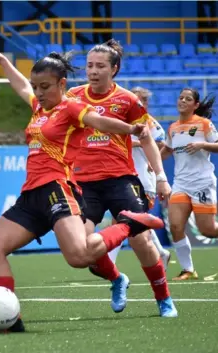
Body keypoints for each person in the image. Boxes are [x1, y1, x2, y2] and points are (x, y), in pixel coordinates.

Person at [0, 42, 164, 333]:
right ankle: (9, 320)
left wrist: (130, 130)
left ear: (61, 84)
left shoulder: (71, 107)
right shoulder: (39, 106)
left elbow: (99, 120)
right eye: (36, 86)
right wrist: (1, 59)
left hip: (57, 188)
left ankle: (128, 225)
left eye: (45, 86)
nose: (38, 92)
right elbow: (20, 86)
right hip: (30, 195)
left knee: (79, 257)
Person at [66, 39, 177, 317]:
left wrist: (161, 177)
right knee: (82, 248)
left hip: (120, 180)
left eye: (100, 66)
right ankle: (117, 279)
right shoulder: (73, 96)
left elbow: (147, 139)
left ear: (114, 69)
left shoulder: (129, 100)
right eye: (89, 65)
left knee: (141, 240)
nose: (93, 71)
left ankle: (163, 299)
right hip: (83, 183)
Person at [107, 87, 171, 269]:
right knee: (129, 220)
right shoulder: (119, 121)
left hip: (143, 178)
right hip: (124, 177)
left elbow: (160, 142)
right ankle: (161, 252)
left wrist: (138, 145)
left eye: (140, 100)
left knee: (123, 219)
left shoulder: (148, 122)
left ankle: (109, 262)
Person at [160, 88, 218, 280]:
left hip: (202, 182)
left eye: (188, 99)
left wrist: (202, 145)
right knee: (176, 226)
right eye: (180, 98)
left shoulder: (204, 124)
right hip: (181, 184)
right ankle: (188, 269)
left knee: (207, 230)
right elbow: (167, 150)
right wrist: (154, 167)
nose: (183, 101)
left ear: (196, 105)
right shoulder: (173, 128)